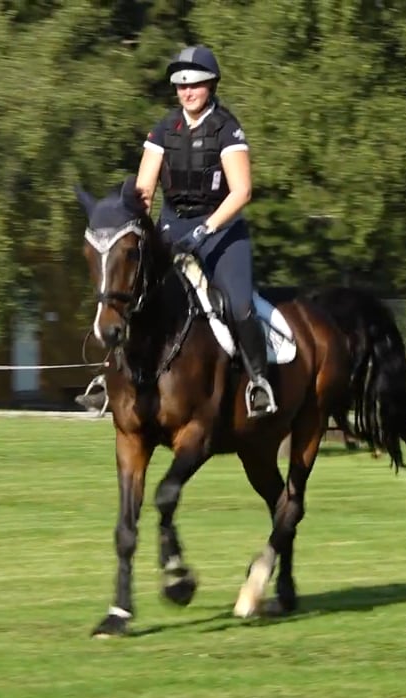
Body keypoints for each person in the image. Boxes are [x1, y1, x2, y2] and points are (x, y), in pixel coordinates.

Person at [76, 45, 276, 418]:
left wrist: (205, 230)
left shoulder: (227, 129)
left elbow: (242, 191)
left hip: (222, 230)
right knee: (132, 290)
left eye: (196, 85)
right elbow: (145, 190)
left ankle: (259, 383)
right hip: (171, 227)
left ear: (211, 85)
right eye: (181, 86)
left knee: (239, 304)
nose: (188, 92)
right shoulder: (164, 129)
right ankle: (108, 379)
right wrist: (134, 223)